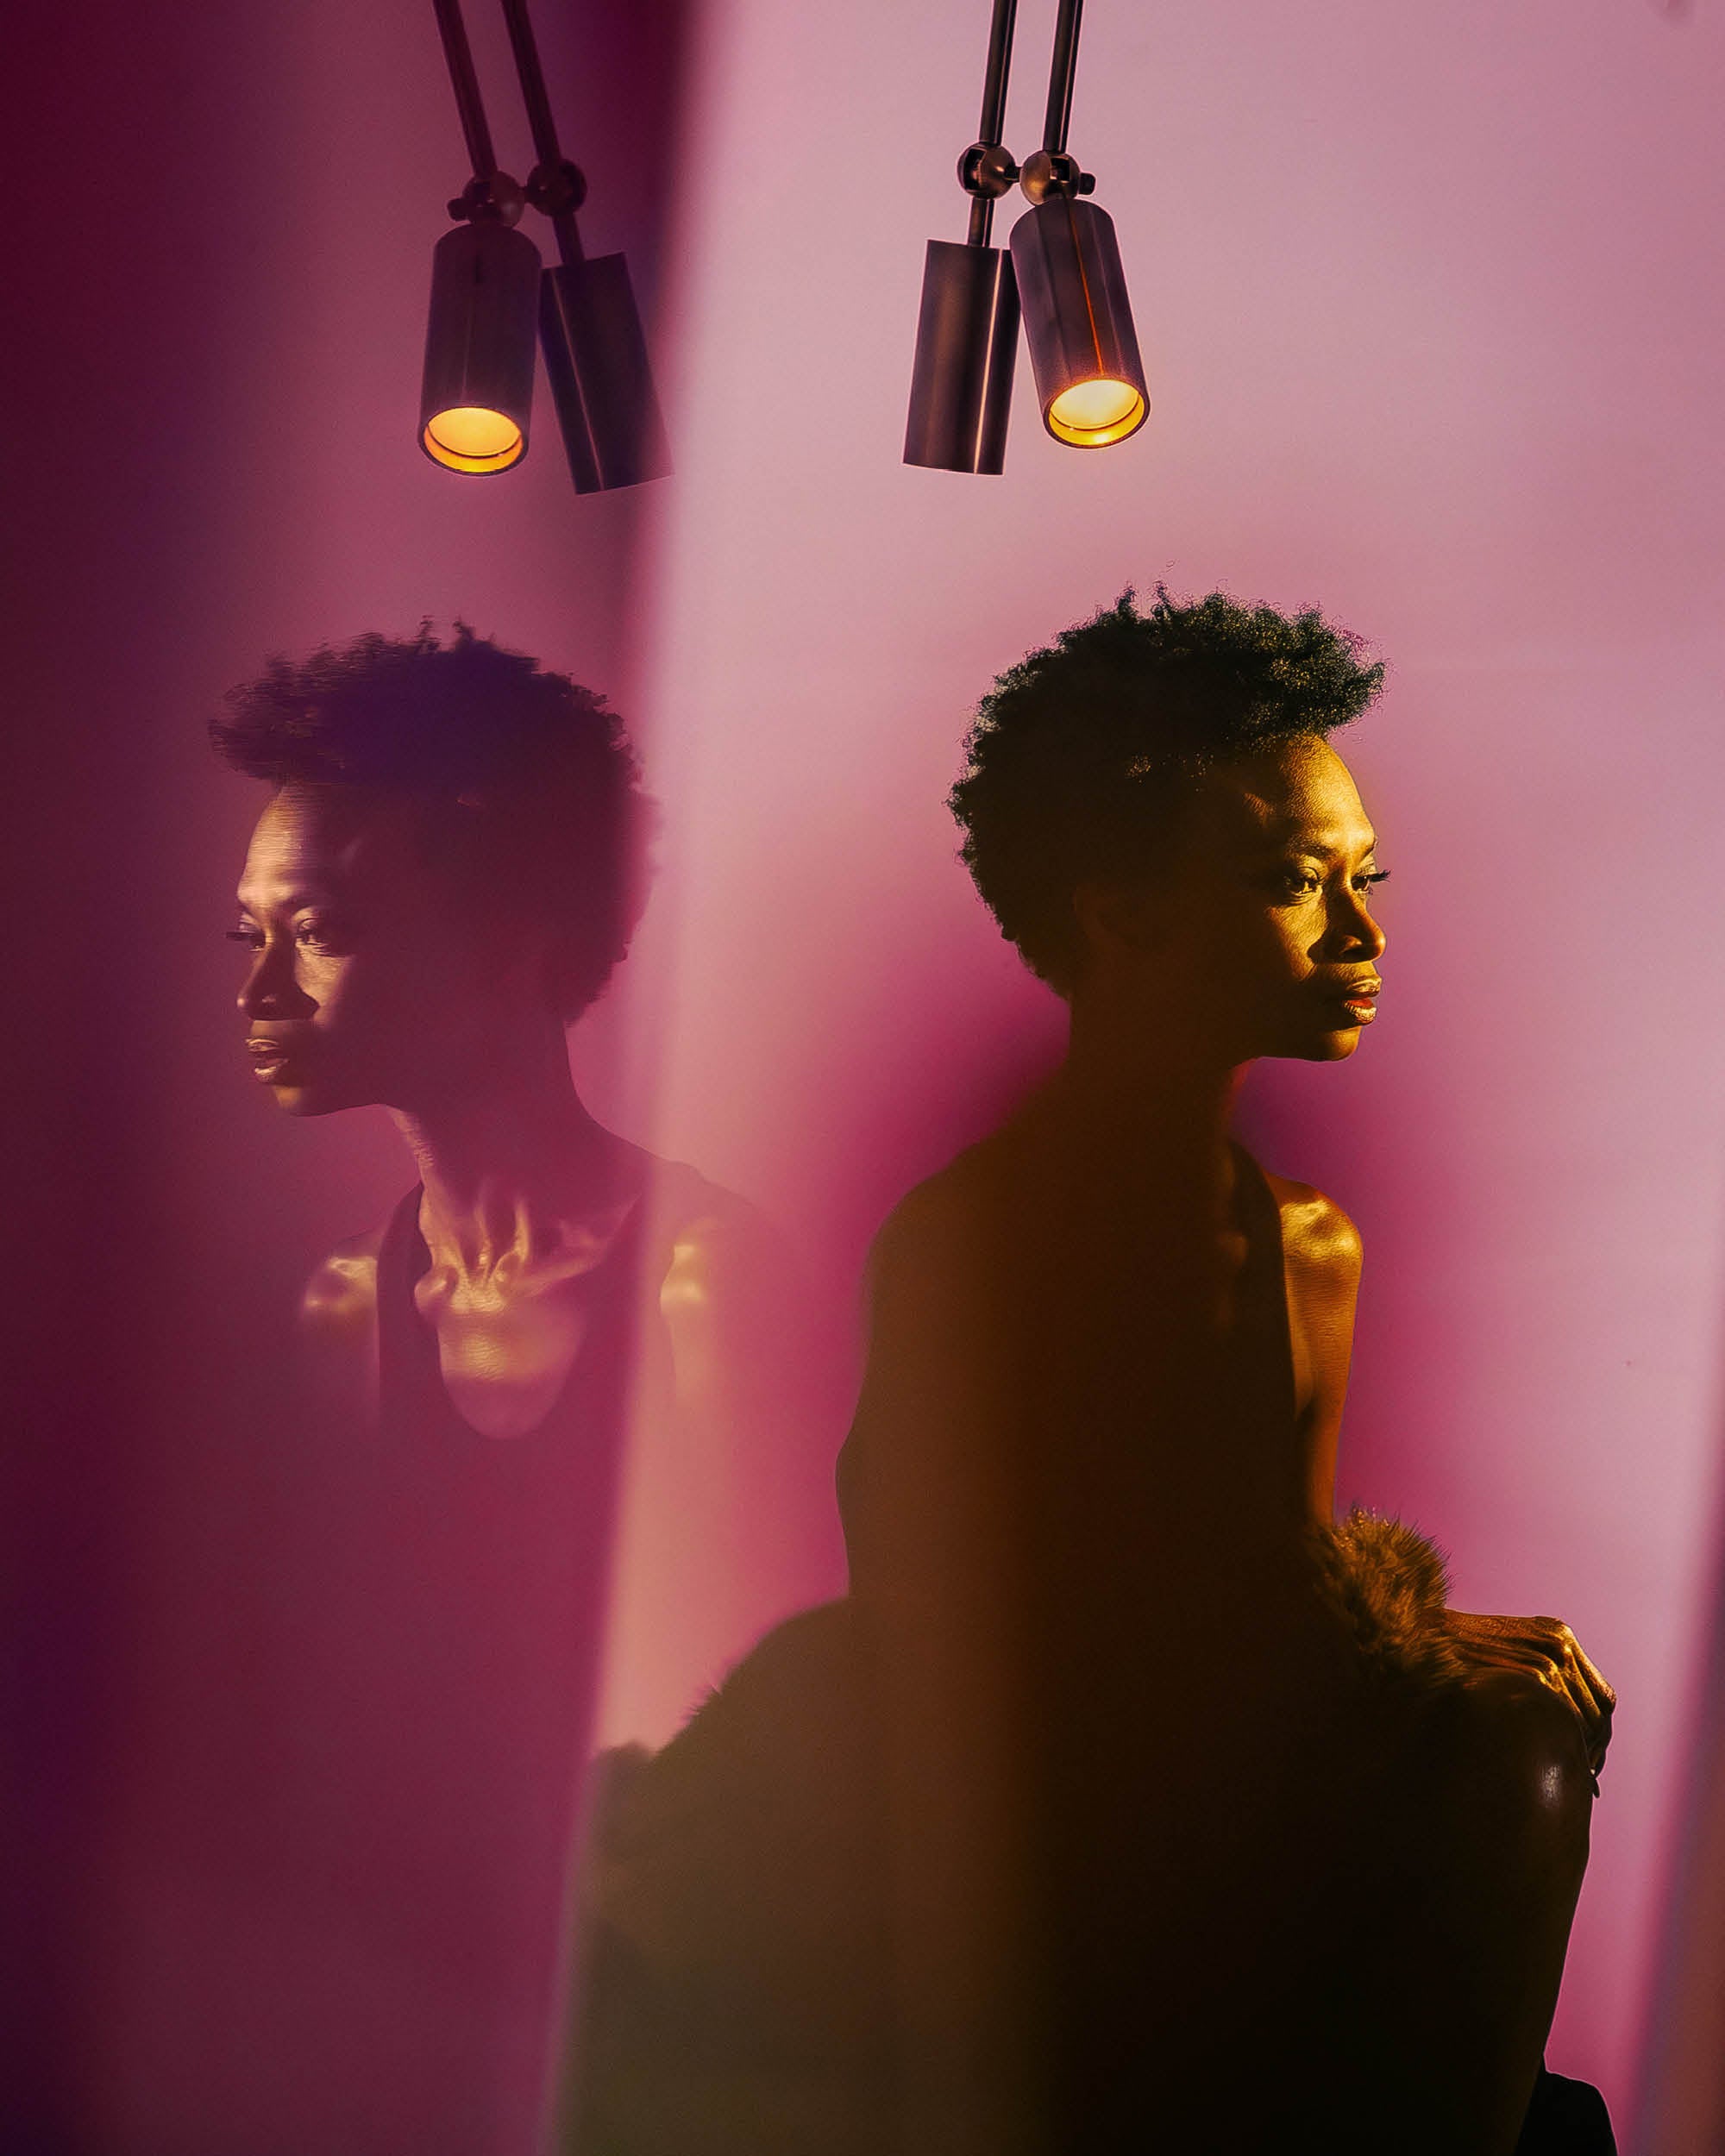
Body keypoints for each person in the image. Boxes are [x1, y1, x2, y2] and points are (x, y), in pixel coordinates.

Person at [569, 592, 1615, 2156]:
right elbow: (927, 1626)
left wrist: (1421, 1643)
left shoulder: (1309, 1248)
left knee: (1527, 1746)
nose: (1363, 933)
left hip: (1243, 1812)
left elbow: (1291, 1589)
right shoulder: (964, 1244)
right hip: (1029, 1850)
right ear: (1121, 915)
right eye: (1294, 881)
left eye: (1366, 880)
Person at [215, 624, 831, 2152]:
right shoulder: (346, 1307)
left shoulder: (705, 1282)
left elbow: (781, 1740)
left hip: (652, 2010)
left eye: (323, 930)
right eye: (251, 937)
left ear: (510, 935)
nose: (262, 989)